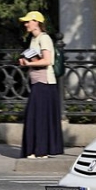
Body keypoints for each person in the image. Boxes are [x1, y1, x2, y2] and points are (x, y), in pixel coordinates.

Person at [17, 10, 64, 158]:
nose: (26, 24)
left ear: (36, 22)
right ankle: (37, 149)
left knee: (39, 116)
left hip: (45, 82)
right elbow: (37, 59)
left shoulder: (44, 39)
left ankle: (41, 150)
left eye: (28, 21)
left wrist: (29, 63)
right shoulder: (33, 39)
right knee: (36, 115)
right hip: (37, 80)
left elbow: (47, 60)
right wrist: (26, 62)